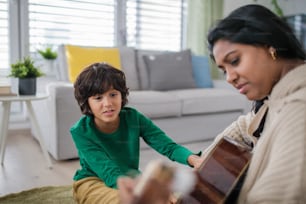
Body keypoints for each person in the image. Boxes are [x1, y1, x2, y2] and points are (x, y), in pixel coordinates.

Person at [117, 4, 306, 204]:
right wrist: (206, 164)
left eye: (234, 61)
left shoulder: (298, 111)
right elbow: (246, 126)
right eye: (224, 70)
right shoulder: (275, 98)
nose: (229, 78)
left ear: (271, 46)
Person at [70, 62, 203, 204]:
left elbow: (167, 146)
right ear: (87, 102)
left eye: (113, 94)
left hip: (130, 178)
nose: (108, 103)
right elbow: (108, 171)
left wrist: (193, 159)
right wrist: (142, 191)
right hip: (92, 181)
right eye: (98, 98)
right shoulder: (80, 131)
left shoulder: (134, 118)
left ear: (122, 95)